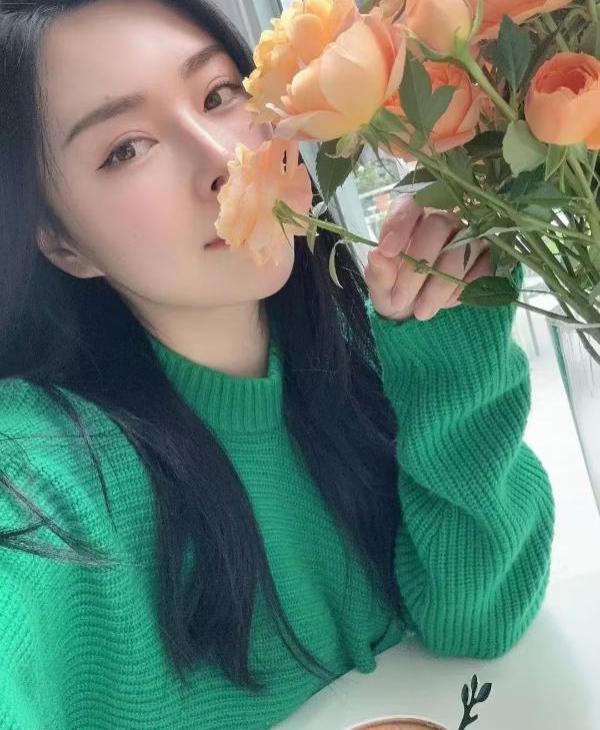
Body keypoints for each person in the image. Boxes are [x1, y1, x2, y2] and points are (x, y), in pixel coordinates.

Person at [0, 1, 555, 728]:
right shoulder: (38, 477)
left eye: (218, 95)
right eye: (126, 149)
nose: (225, 161)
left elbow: (481, 618)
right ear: (61, 243)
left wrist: (446, 335)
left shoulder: (365, 356)